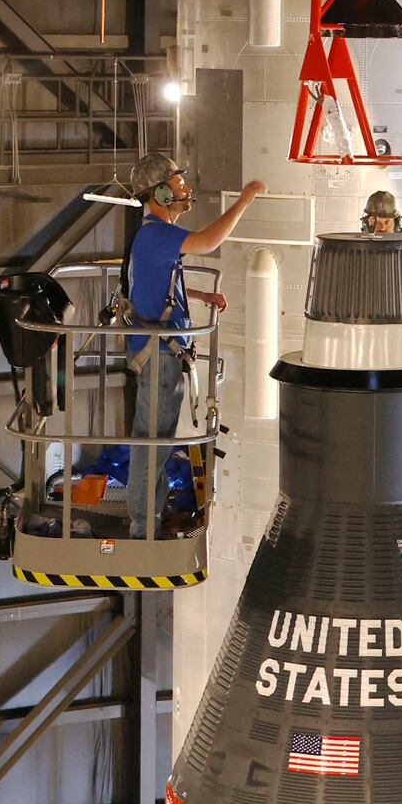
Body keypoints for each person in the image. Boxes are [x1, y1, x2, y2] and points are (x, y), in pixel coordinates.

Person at [124, 152, 266, 539]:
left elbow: (159, 283)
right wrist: (244, 201)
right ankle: (143, 526)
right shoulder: (155, 234)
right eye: (177, 183)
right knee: (152, 442)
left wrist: (199, 294)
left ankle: (148, 517)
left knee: (157, 440)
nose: (185, 189)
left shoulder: (156, 236)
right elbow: (208, 242)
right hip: (159, 354)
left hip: (163, 350)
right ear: (159, 193)